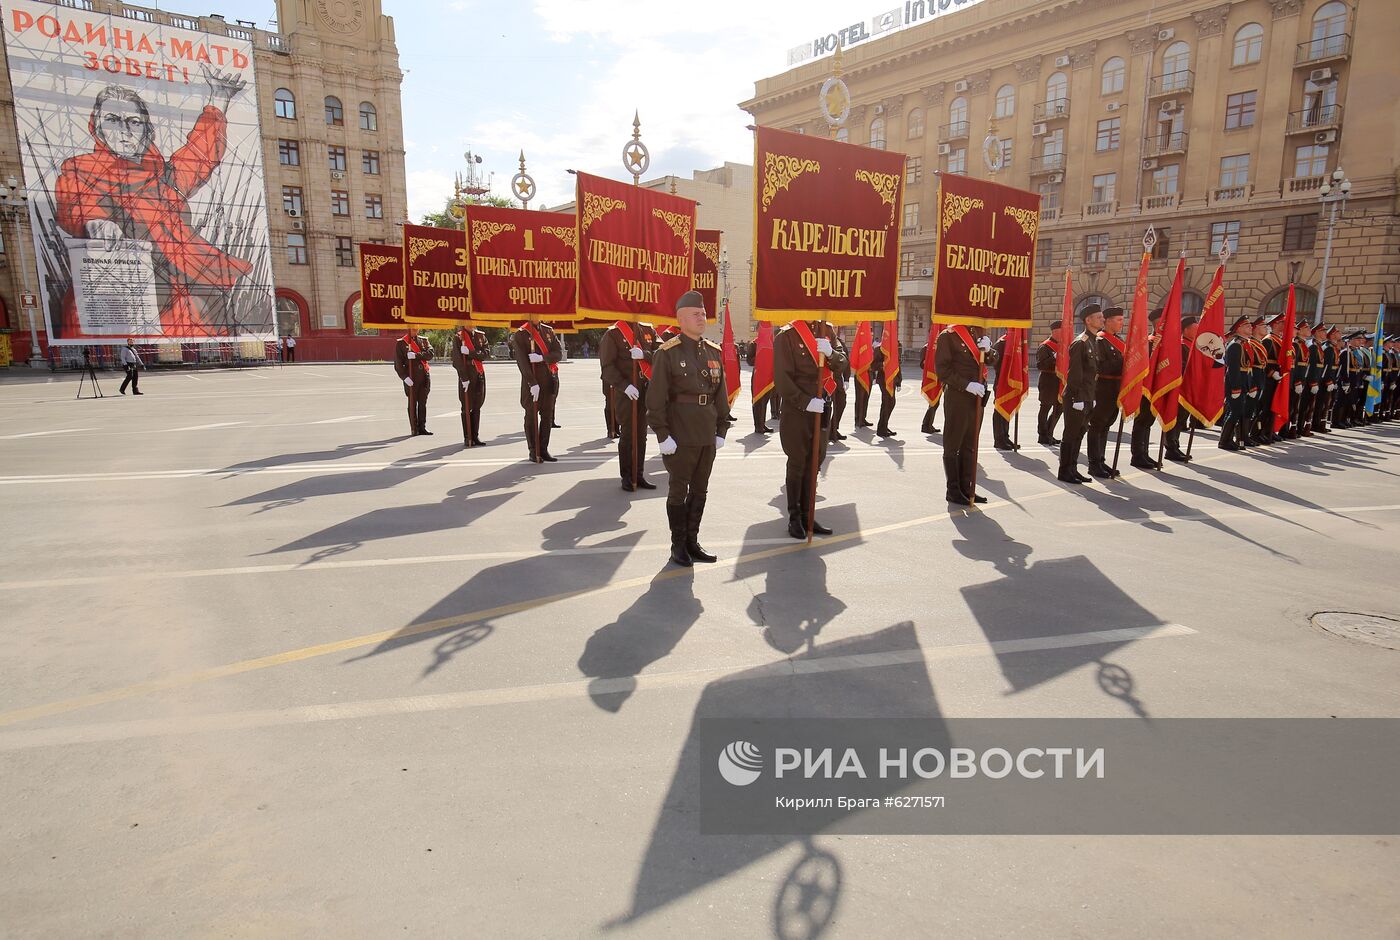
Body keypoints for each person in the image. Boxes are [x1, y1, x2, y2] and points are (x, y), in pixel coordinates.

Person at [55, 68, 254, 339]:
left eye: (134, 122)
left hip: (176, 284)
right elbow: (77, 201)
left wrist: (218, 99)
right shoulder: (81, 168)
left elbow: (200, 155)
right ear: (97, 126)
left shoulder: (164, 175)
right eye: (113, 120)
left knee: (199, 320)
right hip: (120, 281)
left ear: (146, 129)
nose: (124, 131)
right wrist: (96, 222)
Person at [647, 291, 731, 567]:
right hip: (680, 435)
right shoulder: (667, 352)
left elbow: (720, 393)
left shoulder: (712, 351)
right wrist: (662, 435)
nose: (701, 317)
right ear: (681, 319)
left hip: (706, 433)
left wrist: (722, 429)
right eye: (695, 314)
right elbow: (656, 398)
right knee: (678, 490)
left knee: (700, 490)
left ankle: (693, 542)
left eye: (703, 313)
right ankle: (678, 545)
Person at [775, 318, 846, 538]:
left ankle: (808, 514)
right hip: (798, 409)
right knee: (798, 461)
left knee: (816, 461)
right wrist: (805, 401)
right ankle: (794, 517)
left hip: (823, 405)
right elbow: (782, 378)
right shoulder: (786, 335)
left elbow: (843, 362)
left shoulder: (827, 331)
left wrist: (831, 353)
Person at [599, 316, 659, 489]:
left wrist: (645, 355)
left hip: (646, 389)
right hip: (627, 393)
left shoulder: (648, 330)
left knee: (642, 435)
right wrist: (624, 386)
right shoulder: (613, 334)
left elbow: (664, 354)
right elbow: (607, 367)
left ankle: (638, 474)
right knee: (628, 435)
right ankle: (627, 475)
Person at [935, 324, 990, 503]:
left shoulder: (978, 331)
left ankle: (967, 488)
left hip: (977, 396)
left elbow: (991, 360)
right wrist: (966, 385)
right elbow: (943, 371)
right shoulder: (948, 335)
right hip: (958, 395)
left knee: (970, 443)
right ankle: (953, 490)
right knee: (953, 444)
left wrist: (989, 350)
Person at [1057, 304, 1101, 484]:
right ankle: (1065, 471)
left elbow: (1092, 374)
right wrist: (1077, 397)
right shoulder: (1080, 342)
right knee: (1070, 435)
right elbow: (1075, 374)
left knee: (1079, 434)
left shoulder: (1093, 341)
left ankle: (1073, 469)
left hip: (1088, 397)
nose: (1102, 320)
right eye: (1098, 317)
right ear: (1088, 320)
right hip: (1077, 398)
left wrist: (1092, 397)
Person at [513, 315, 561, 461]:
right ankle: (533, 450)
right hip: (532, 382)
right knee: (531, 416)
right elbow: (522, 362)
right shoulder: (521, 334)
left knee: (547, 416)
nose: (537, 315)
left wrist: (542, 358)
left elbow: (558, 353)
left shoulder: (549, 331)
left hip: (549, 379)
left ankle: (544, 449)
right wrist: (532, 383)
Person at [1086, 306, 1125, 478]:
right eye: (1118, 320)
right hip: (1103, 389)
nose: (1121, 323)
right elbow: (1099, 366)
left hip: (1116, 389)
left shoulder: (1118, 340)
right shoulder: (1100, 341)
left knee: (1106, 426)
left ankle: (1101, 460)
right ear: (1107, 322)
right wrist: (1125, 365)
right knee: (1097, 426)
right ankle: (1094, 464)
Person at [1128, 308, 1163, 470]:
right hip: (1145, 388)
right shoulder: (1149, 342)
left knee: (1148, 421)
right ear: (1157, 323)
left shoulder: (1165, 341)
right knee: (1142, 421)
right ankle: (1137, 455)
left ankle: (1145, 453)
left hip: (1157, 387)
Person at [1162, 315, 1199, 461]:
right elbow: (1180, 367)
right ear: (1186, 330)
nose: (1198, 331)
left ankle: (1175, 446)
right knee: (1174, 418)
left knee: (1182, 419)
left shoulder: (1193, 346)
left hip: (1189, 388)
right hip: (1179, 388)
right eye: (1195, 328)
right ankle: (1170, 448)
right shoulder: (1181, 346)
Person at [450, 324, 489, 448]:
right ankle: (468, 437)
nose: (471, 324)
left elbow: (486, 354)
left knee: (477, 405)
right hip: (466, 375)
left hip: (479, 374)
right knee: (466, 406)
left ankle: (475, 436)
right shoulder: (458, 337)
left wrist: (471, 353)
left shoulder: (481, 336)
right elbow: (456, 360)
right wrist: (464, 378)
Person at [1219, 315, 1251, 450]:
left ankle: (1229, 439)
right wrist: (1236, 388)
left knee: (1236, 412)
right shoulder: (1235, 345)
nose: (1251, 328)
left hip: (1243, 382)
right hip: (1235, 384)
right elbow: (1233, 369)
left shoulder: (1243, 344)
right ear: (1239, 328)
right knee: (1234, 412)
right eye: (1247, 326)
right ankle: (1224, 441)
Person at [393, 327, 433, 436]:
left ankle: (422, 427)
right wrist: (404, 377)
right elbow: (398, 363)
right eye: (413, 328)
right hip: (411, 377)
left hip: (424, 376)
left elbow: (430, 354)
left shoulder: (424, 341)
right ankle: (414, 428)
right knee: (412, 402)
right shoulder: (401, 343)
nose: (415, 330)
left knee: (422, 402)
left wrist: (416, 355)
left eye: (417, 328)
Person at [989, 331, 1020, 451]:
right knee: (999, 410)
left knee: (1008, 408)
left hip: (1011, 381)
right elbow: (995, 362)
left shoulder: (1016, 342)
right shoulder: (1001, 343)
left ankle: (1005, 436)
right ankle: (998, 439)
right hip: (1002, 380)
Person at [1035, 327, 1063, 446]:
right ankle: (1042, 435)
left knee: (1059, 408)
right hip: (1048, 380)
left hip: (1059, 381)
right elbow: (1040, 365)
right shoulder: (1045, 346)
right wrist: (1054, 358)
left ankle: (1049, 432)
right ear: (1055, 331)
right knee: (1045, 407)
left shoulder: (1063, 345)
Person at [827, 325, 851, 442]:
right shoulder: (822, 340)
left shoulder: (839, 343)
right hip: (824, 378)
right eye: (832, 327)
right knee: (825, 405)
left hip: (836, 378)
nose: (834, 329)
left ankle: (833, 428)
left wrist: (846, 379)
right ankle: (824, 430)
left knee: (841, 402)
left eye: (835, 327)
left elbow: (846, 361)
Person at [875, 332, 901, 437]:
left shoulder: (894, 350)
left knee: (892, 403)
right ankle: (881, 429)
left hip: (893, 380)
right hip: (883, 380)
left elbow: (898, 367)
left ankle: (884, 426)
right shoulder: (879, 349)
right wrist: (884, 365)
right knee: (886, 403)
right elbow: (873, 365)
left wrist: (899, 381)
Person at [919, 340, 941, 435]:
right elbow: (922, 364)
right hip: (931, 378)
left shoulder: (940, 347)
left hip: (940, 377)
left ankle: (928, 424)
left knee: (935, 403)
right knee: (933, 403)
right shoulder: (926, 348)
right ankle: (926, 425)